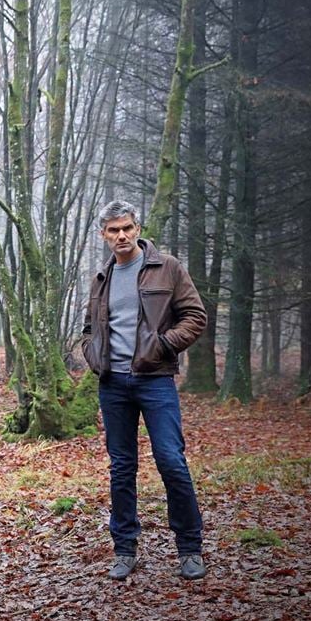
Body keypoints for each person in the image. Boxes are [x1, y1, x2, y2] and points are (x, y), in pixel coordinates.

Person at [81, 200, 209, 581]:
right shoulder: (101, 278)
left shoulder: (166, 267)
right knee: (122, 468)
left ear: (138, 228)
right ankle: (124, 549)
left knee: (171, 460)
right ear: (103, 235)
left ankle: (190, 548)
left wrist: (163, 346)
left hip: (155, 380)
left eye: (127, 228)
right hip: (113, 384)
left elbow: (195, 316)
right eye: (113, 230)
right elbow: (90, 329)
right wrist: (92, 355)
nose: (121, 236)